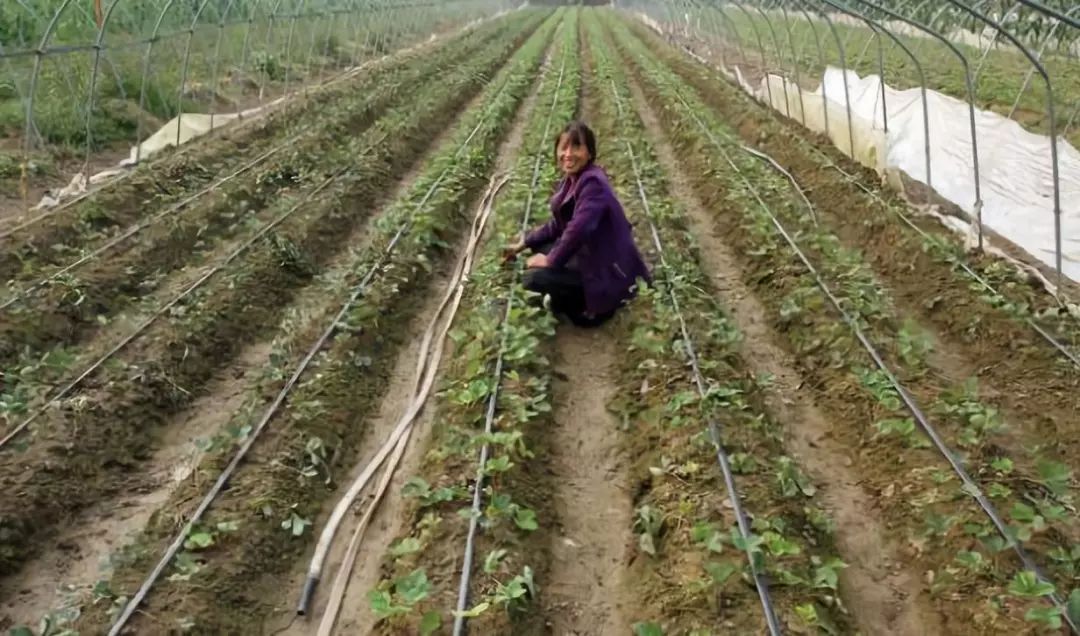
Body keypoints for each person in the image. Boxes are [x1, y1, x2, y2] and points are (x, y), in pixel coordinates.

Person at [505, 120, 651, 327]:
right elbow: (558, 225)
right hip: (589, 253)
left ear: (589, 152)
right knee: (538, 247)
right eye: (564, 147)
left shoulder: (593, 183)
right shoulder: (573, 179)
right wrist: (523, 244)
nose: (568, 154)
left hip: (605, 269)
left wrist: (550, 260)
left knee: (533, 279)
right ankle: (563, 295)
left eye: (576, 147)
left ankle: (586, 307)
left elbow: (580, 229)